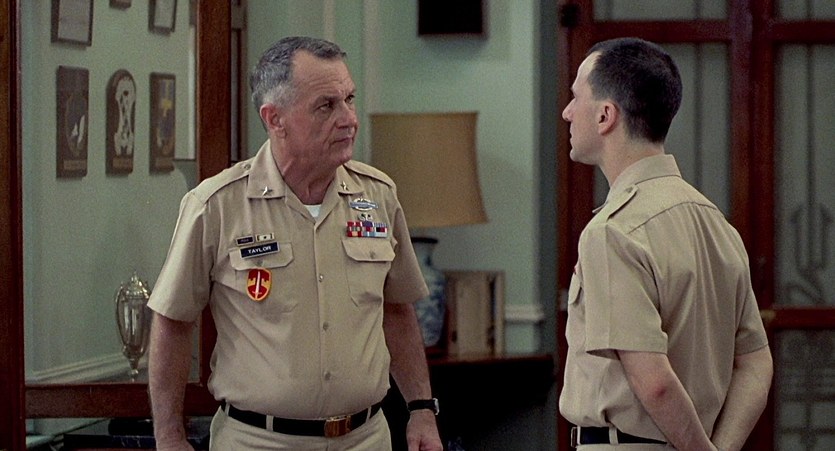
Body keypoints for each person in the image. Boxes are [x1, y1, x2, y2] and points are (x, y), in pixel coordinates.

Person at [148, 36, 443, 451]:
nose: (348, 119)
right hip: (258, 441)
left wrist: (421, 409)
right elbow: (173, 322)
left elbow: (397, 310)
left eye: (349, 99)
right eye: (326, 106)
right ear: (275, 119)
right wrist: (168, 436)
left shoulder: (378, 196)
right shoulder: (216, 205)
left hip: (365, 438)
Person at [558, 37, 773, 450]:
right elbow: (755, 363)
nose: (567, 112)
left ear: (605, 115)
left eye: (576, 97)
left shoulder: (612, 232)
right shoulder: (716, 223)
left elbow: (653, 382)